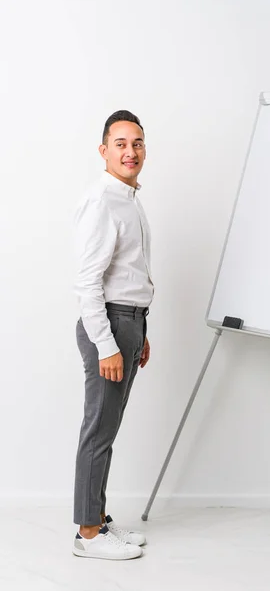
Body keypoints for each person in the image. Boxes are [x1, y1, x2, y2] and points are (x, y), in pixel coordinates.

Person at [72, 110, 154, 560]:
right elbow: (88, 282)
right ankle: (87, 534)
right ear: (104, 150)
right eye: (120, 143)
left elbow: (130, 275)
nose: (130, 151)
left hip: (128, 323)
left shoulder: (129, 199)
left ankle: (97, 518)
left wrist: (139, 332)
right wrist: (108, 343)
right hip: (108, 323)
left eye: (137, 143)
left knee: (108, 427)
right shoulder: (103, 201)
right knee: (98, 430)